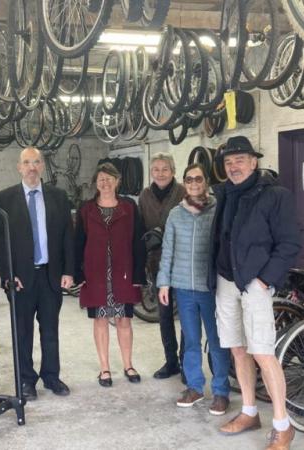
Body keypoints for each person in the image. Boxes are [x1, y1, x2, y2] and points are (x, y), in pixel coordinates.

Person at [209, 136, 301, 450]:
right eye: (228, 162)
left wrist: (264, 280)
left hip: (254, 283)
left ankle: (282, 424)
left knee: (262, 352)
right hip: (226, 280)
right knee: (237, 348)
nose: (233, 166)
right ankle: (249, 411)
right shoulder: (224, 194)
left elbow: (289, 244)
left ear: (254, 162)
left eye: (239, 160)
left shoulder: (276, 195)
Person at [0, 147, 74, 400]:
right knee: (23, 332)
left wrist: (69, 271)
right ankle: (26, 380)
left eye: (36, 162)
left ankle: (51, 376)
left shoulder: (59, 196)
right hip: (20, 279)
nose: (31, 167)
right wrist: (7, 275)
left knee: (50, 330)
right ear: (19, 167)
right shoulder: (5, 198)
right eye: (26, 162)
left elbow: (67, 237)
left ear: (42, 166)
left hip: (50, 276)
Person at [157, 163, 231, 414]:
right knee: (190, 340)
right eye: (189, 180)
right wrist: (164, 282)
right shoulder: (176, 214)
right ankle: (195, 387)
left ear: (206, 182)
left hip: (209, 287)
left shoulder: (216, 210)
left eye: (198, 179)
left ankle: (221, 391)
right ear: (184, 183)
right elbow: (167, 250)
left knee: (217, 340)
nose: (194, 184)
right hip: (183, 288)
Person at [74, 163, 146, 386]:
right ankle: (104, 368)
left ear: (117, 181)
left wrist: (138, 275)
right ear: (96, 183)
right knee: (101, 319)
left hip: (122, 273)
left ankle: (128, 365)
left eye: (109, 179)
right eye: (101, 179)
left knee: (124, 319)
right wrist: (79, 273)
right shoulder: (86, 209)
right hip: (96, 274)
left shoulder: (129, 207)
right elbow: (78, 242)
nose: (105, 183)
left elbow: (138, 242)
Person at [137, 153, 186, 380]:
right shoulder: (145, 196)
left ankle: (187, 362)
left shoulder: (184, 192)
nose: (160, 173)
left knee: (186, 315)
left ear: (173, 171)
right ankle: (171, 361)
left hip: (183, 263)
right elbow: (139, 229)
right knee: (164, 315)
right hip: (156, 265)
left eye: (165, 169)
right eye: (156, 169)